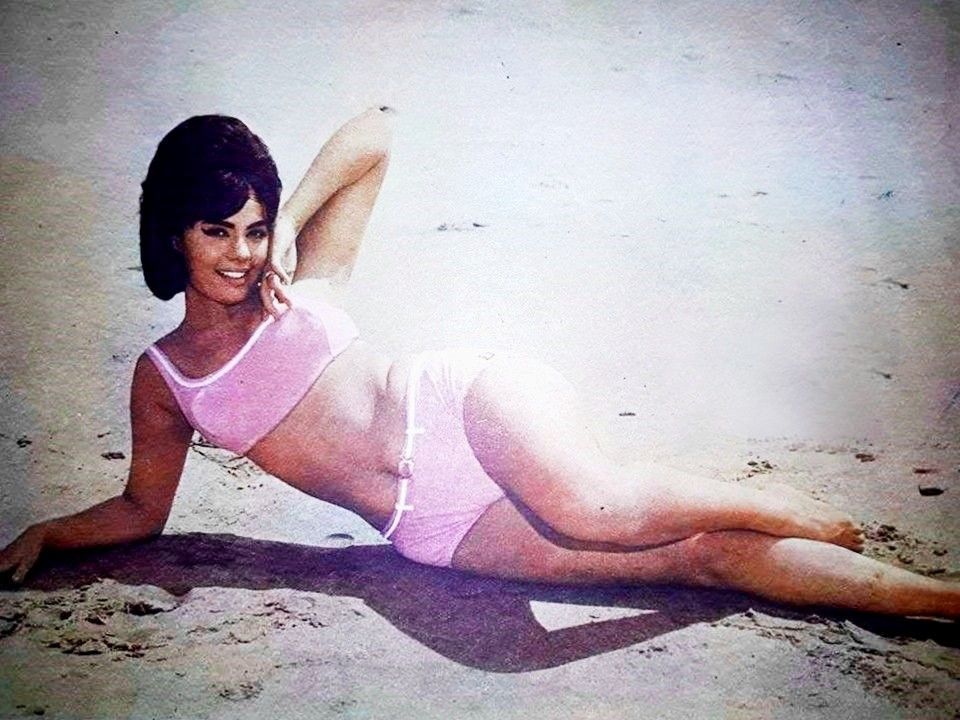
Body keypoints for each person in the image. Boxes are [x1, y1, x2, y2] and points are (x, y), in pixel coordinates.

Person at [1, 106, 957, 619]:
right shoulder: (166, 378)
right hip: (432, 526)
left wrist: (289, 225)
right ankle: (939, 603)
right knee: (697, 563)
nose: (242, 254)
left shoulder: (301, 279)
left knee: (598, 506)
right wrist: (50, 531)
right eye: (218, 232)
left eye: (251, 228)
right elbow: (142, 510)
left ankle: (789, 507)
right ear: (173, 234)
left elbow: (375, 132)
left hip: (463, 408)